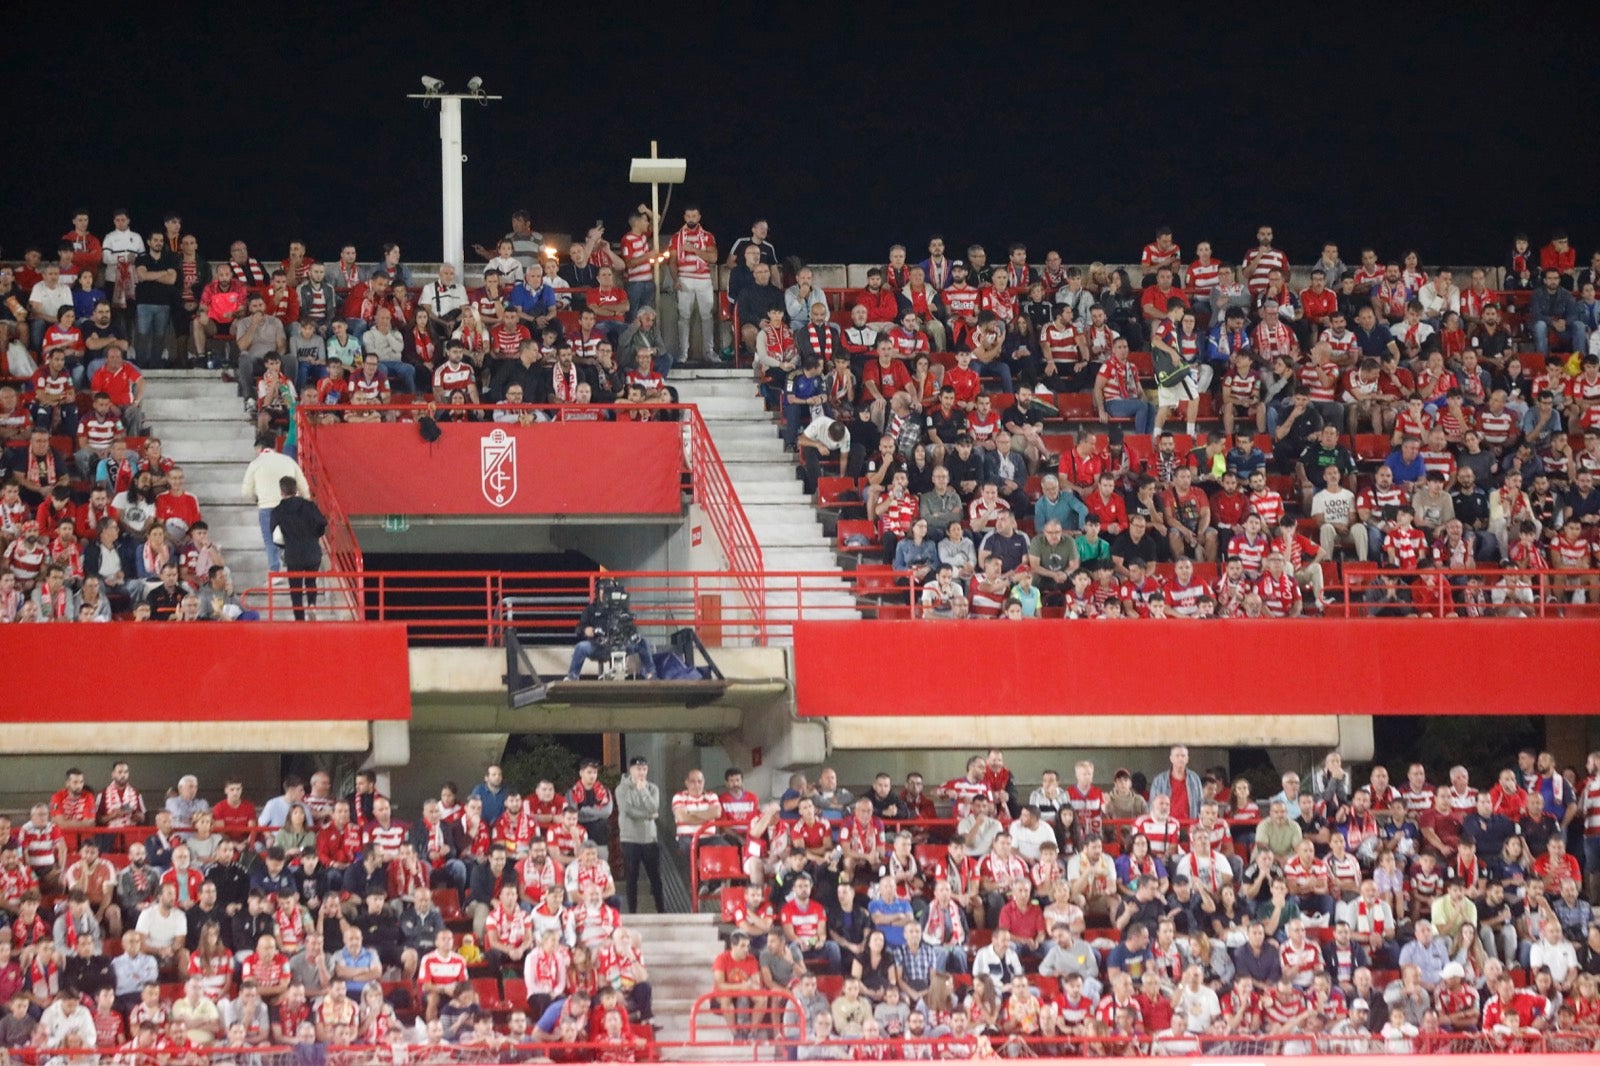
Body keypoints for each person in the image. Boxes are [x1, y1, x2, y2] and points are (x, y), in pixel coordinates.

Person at [564, 580, 656, 681]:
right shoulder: (590, 609)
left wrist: (630, 633)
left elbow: (631, 627)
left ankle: (650, 673)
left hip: (621, 645)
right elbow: (579, 628)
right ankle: (572, 676)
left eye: (608, 590)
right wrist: (586, 630)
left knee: (642, 643)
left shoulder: (621, 609)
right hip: (599, 646)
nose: (605, 593)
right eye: (602, 590)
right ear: (597, 592)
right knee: (581, 647)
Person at [269, 477, 326, 621]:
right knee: (311, 581)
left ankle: (299, 620)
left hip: (293, 553)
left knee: (296, 589)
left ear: (281, 492)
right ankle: (312, 604)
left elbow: (273, 534)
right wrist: (315, 535)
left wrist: (285, 545)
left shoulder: (278, 511)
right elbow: (322, 522)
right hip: (312, 551)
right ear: (296, 489)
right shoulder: (309, 505)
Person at [618, 757, 663, 914]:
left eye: (644, 769)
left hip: (650, 839)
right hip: (630, 839)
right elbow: (627, 810)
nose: (641, 772)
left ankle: (662, 911)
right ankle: (632, 912)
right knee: (632, 877)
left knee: (655, 877)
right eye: (638, 769)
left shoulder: (652, 788)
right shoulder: (622, 788)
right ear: (631, 770)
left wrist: (643, 791)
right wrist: (649, 816)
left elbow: (654, 806)